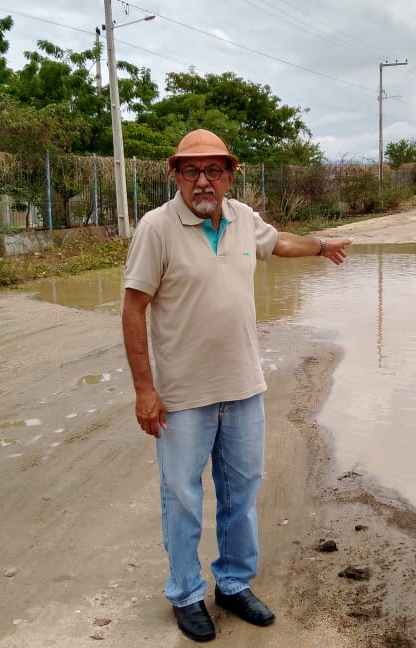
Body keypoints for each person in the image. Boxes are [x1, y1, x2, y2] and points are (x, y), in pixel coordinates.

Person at [121, 129, 352, 642]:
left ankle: (232, 583)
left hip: (244, 387)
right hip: (182, 397)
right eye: (190, 171)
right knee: (181, 496)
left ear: (230, 174)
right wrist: (144, 389)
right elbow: (133, 308)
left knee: (241, 492)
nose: (202, 181)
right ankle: (185, 591)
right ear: (175, 175)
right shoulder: (156, 228)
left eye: (213, 170)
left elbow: (279, 242)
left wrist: (321, 246)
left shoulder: (243, 218)